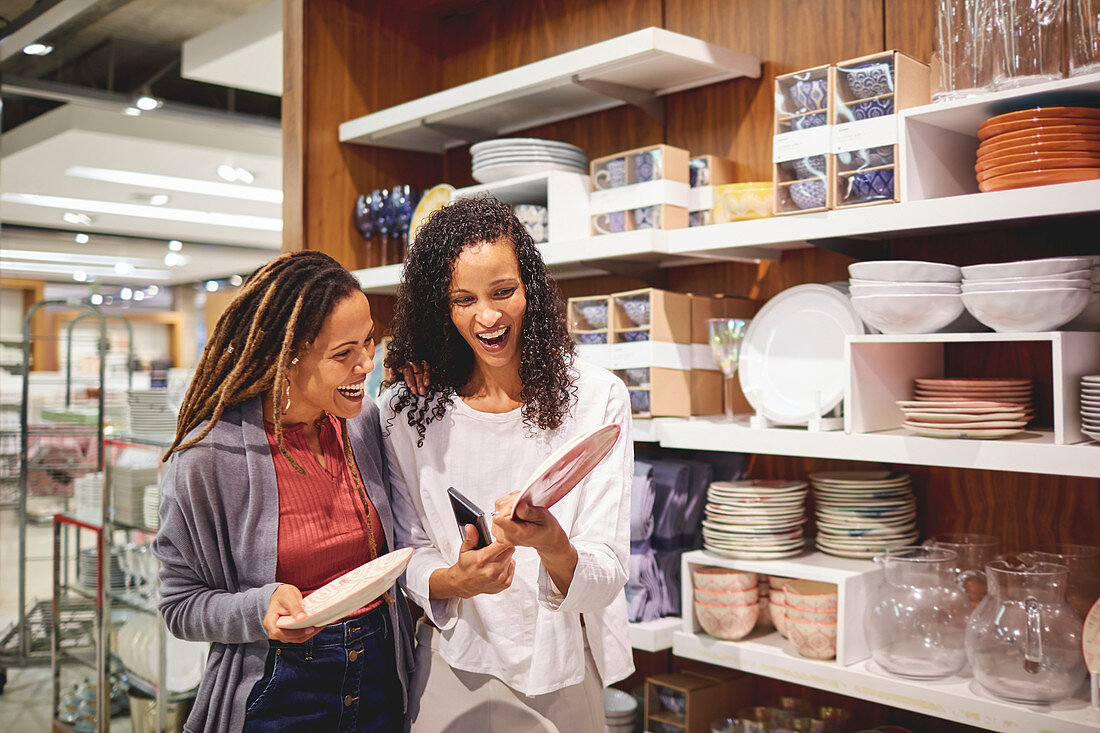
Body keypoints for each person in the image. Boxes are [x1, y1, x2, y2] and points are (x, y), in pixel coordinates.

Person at [380, 196, 634, 732]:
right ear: (439, 307)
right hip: (451, 665)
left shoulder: (597, 398)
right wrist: (455, 579)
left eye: (503, 292)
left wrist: (551, 544)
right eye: (463, 299)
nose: (488, 316)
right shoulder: (409, 411)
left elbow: (608, 568)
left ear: (531, 289)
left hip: (562, 668)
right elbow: (406, 550)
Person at [152, 250, 413, 733]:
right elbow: (178, 605)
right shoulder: (209, 457)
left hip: (381, 674)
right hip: (279, 687)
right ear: (286, 358)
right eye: (344, 354)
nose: (366, 364)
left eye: (369, 342)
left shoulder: (362, 425)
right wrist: (257, 609)